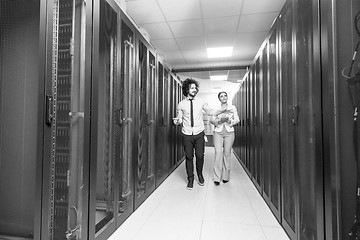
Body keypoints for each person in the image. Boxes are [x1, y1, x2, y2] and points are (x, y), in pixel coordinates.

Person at [173, 78, 214, 190]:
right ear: (187, 89)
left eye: (195, 88)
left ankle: (199, 174)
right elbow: (180, 119)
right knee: (189, 157)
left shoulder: (201, 102)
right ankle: (190, 179)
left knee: (200, 156)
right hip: (187, 134)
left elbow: (209, 111)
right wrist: (177, 121)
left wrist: (218, 112)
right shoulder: (181, 104)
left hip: (199, 133)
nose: (194, 89)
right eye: (192, 88)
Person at [210, 91, 240, 186]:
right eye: (221, 96)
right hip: (218, 132)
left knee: (227, 154)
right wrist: (218, 121)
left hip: (229, 132)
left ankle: (226, 177)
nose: (223, 97)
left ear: (227, 97)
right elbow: (211, 119)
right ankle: (216, 178)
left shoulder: (232, 108)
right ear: (219, 99)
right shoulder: (216, 109)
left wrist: (230, 121)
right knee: (218, 153)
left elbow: (237, 119)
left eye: (225, 96)